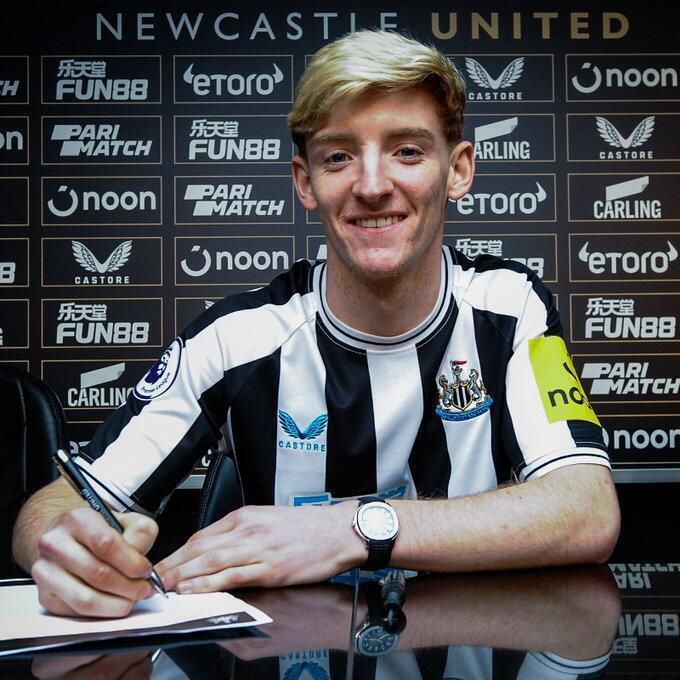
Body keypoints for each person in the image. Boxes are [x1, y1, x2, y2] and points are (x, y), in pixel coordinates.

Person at [13, 30, 620, 618]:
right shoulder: (235, 338)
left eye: (407, 150)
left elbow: (587, 509)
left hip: (465, 648)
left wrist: (352, 528)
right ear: (306, 182)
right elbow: (65, 500)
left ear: (457, 170)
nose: (373, 185)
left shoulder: (509, 307)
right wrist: (64, 552)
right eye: (338, 156)